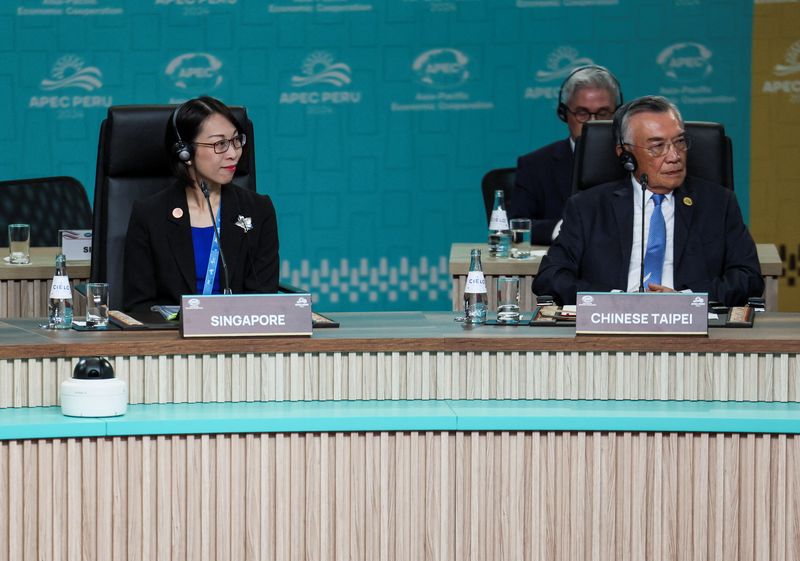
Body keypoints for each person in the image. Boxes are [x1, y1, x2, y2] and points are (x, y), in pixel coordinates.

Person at [532, 95, 763, 306]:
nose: (674, 156)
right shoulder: (588, 207)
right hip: (610, 331)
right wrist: (612, 301)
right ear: (625, 154)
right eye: (657, 146)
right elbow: (550, 277)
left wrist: (687, 300)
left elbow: (748, 277)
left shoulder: (718, 203)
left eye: (680, 142)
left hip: (692, 331)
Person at [123, 96, 280, 312]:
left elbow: (263, 300)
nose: (233, 154)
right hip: (170, 340)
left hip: (240, 336)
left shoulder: (258, 210)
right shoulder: (150, 215)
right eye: (220, 144)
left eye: (236, 141)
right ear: (185, 152)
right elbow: (139, 306)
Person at [508, 65, 622, 245]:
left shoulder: (633, 162)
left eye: (603, 113)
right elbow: (515, 228)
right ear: (564, 114)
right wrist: (562, 229)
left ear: (617, 115)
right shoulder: (535, 165)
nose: (592, 122)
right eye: (582, 113)